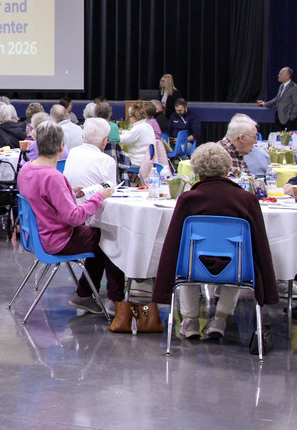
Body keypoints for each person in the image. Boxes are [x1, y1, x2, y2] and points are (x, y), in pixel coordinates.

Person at [152, 143, 277, 340]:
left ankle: (191, 321)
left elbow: (173, 244)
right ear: (227, 170)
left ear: (196, 172)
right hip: (235, 268)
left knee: (187, 258)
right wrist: (268, 287)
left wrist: (162, 287)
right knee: (239, 257)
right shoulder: (247, 199)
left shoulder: (188, 199)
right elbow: (260, 243)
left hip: (195, 267)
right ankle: (220, 319)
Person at [17, 121, 124, 313]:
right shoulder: (53, 177)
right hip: (58, 239)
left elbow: (43, 200)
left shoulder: (26, 170)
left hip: (37, 235)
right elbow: (74, 217)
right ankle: (115, 301)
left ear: (37, 145)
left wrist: (70, 193)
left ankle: (84, 293)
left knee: (98, 237)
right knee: (111, 238)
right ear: (61, 147)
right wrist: (100, 196)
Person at [63, 118, 117, 190]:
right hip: (94, 200)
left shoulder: (73, 152)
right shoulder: (107, 161)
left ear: (82, 136)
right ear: (104, 141)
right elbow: (111, 192)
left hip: (71, 199)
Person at [119, 103, 156, 169]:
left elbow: (125, 140)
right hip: (146, 159)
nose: (129, 119)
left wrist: (114, 135)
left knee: (116, 161)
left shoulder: (138, 128)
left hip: (137, 161)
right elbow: (132, 134)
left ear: (134, 118)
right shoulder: (147, 126)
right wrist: (122, 132)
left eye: (129, 117)